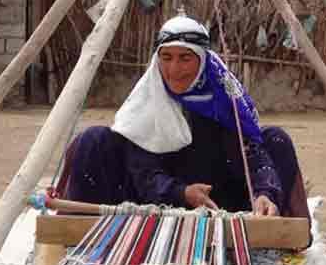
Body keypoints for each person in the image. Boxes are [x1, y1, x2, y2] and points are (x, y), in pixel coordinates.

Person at [55, 14, 310, 224]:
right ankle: (77, 230)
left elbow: (251, 153)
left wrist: (264, 193)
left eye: (185, 58)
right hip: (154, 205)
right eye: (166, 58)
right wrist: (181, 192)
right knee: (92, 140)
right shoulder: (148, 102)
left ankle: (280, 232)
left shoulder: (223, 100)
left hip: (219, 205)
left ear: (202, 60)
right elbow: (142, 171)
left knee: (275, 138)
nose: (174, 70)